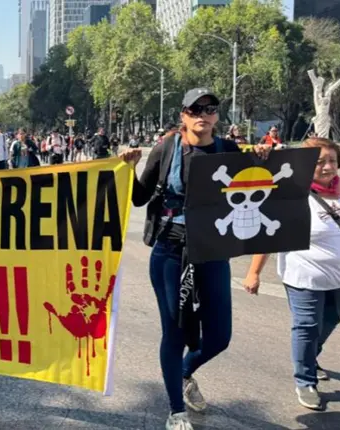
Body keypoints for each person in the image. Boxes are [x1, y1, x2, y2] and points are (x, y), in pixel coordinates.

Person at [118, 88, 271, 430]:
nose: (203, 114)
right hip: (171, 250)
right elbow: (140, 199)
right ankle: (176, 410)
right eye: (195, 109)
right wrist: (129, 167)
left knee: (218, 338)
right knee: (173, 332)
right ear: (183, 114)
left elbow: (260, 183)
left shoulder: (229, 150)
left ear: (217, 116)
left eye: (210, 109)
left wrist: (262, 157)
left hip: (212, 250)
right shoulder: (167, 148)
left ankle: (184, 373)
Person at [242, 137, 340, 411]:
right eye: (319, 162)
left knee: (330, 320)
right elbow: (271, 236)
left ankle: (310, 356)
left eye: (331, 160)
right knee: (307, 326)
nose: (327, 167)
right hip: (304, 275)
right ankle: (305, 380)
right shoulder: (291, 194)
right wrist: (254, 273)